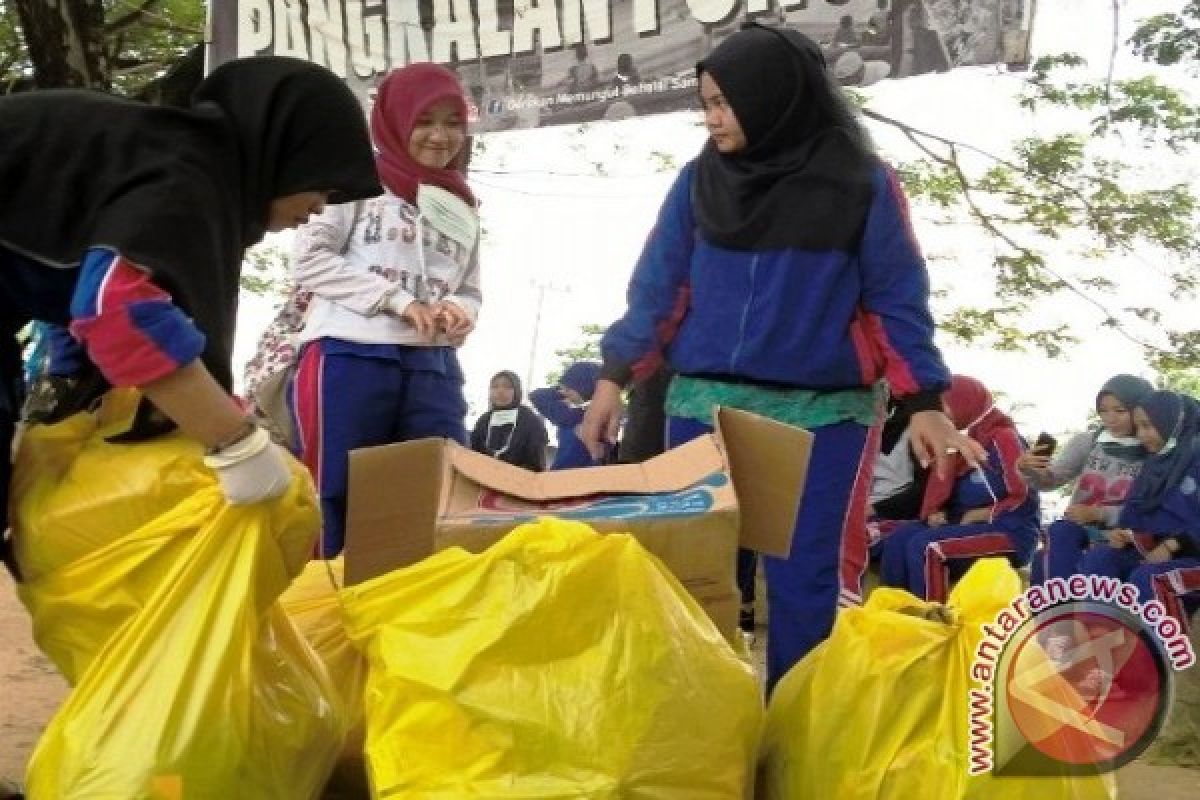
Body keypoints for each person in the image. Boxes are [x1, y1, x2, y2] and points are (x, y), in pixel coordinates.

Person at [579, 24, 979, 691]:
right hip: (702, 406)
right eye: (705, 102)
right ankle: (697, 740)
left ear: (775, 98)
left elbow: (895, 300)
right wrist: (612, 379)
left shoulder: (863, 183)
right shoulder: (698, 181)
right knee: (689, 575)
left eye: (724, 103)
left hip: (822, 415)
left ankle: (796, 735)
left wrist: (926, 403)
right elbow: (658, 288)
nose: (711, 119)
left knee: (807, 583)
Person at [0, 56, 381, 571]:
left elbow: (86, 288)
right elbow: (117, 309)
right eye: (324, 185)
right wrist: (236, 442)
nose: (320, 207)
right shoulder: (185, 177)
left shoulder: (165, 156)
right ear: (284, 148)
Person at [290, 63, 482, 559]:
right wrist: (397, 300)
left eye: (452, 122)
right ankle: (317, 619)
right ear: (395, 120)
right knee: (331, 495)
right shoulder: (353, 179)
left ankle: (407, 621)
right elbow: (309, 259)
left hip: (433, 365)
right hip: (348, 355)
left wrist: (460, 310)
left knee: (433, 499)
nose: (441, 137)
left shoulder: (461, 204)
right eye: (425, 121)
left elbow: (472, 288)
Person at [877, 375, 1041, 600]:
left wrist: (979, 514)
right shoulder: (955, 445)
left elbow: (1023, 499)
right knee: (900, 538)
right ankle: (891, 613)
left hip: (1011, 531)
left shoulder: (1004, 439)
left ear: (964, 403)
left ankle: (932, 622)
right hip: (964, 529)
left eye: (944, 407)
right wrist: (938, 514)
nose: (940, 416)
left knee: (928, 547)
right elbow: (943, 497)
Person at [1077, 390, 1200, 619]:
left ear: (1173, 422)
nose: (1141, 435)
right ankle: (1096, 638)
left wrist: (1172, 545)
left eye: (1148, 426)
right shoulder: (1154, 465)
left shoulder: (1196, 457)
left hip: (1192, 554)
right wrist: (1126, 534)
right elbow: (1136, 513)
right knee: (1099, 559)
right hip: (1157, 550)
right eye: (1138, 427)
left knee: (1148, 578)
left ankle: (1160, 653)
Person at [1025, 374, 1154, 584]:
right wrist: (1031, 469)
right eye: (1103, 411)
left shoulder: (1152, 448)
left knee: (1098, 558)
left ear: (1140, 411)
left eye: (1120, 411)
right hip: (1079, 526)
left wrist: (1099, 513)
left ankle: (1087, 609)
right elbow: (1050, 480)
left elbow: (1152, 506)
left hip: (1123, 535)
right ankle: (1061, 603)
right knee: (1060, 531)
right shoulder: (1089, 441)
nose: (1110, 418)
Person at [529, 361, 606, 469]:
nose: (564, 392)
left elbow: (538, 396)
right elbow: (536, 396)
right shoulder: (570, 414)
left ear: (584, 388)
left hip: (581, 478)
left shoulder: (578, 416)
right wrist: (561, 389)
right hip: (562, 475)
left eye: (569, 388)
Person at [472, 371, 549, 471]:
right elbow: (473, 454)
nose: (500, 391)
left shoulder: (530, 420)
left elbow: (536, 463)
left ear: (517, 391)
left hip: (519, 482)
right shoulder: (484, 420)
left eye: (507, 387)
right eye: (495, 387)